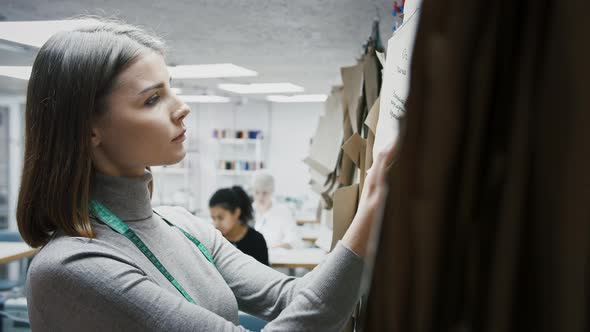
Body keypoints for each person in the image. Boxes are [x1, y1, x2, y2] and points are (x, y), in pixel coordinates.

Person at [16, 19, 396, 331]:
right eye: (152, 99)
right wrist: (369, 215)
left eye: (172, 89)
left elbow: (292, 298)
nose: (181, 108)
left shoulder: (182, 226)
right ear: (88, 130)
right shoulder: (72, 267)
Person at [209, 186, 269, 265]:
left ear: (236, 213)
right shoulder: (215, 240)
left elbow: (263, 274)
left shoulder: (256, 240)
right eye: (213, 218)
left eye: (221, 218)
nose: (216, 224)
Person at [251, 172, 303, 249]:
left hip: (275, 257)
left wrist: (273, 249)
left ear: (272, 192)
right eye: (257, 192)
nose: (260, 197)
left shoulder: (283, 212)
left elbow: (294, 241)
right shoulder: (249, 211)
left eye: (265, 193)